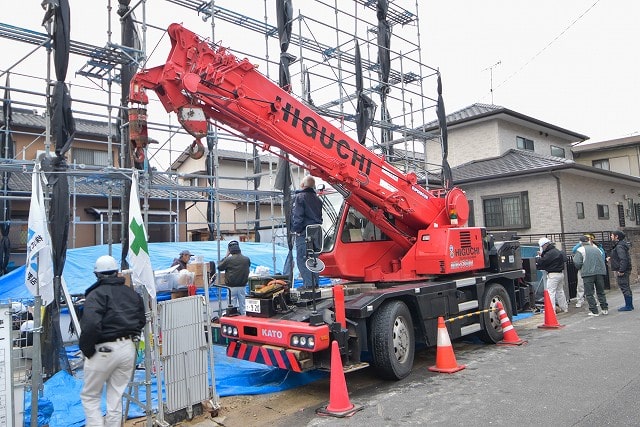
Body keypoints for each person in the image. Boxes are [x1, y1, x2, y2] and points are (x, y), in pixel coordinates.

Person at [80, 255, 146, 427]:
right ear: (117, 273)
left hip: (103, 350)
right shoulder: (131, 293)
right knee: (115, 398)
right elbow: (141, 320)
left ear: (97, 275)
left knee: (90, 396)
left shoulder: (95, 295)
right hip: (127, 349)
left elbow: (90, 325)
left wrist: (87, 349)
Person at [292, 175, 323, 289]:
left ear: (302, 185)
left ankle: (308, 285)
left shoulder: (299, 197)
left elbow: (297, 217)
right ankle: (315, 284)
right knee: (314, 258)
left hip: (304, 232)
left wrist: (296, 230)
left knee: (303, 258)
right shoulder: (318, 200)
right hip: (316, 232)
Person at [573, 235, 609, 316]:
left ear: (580, 242)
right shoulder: (597, 249)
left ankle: (594, 311)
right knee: (601, 291)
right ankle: (604, 308)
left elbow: (577, 262)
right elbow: (602, 258)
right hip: (599, 272)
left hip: (588, 273)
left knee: (589, 293)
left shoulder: (580, 250)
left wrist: (581, 268)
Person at [536, 237, 569, 313]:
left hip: (553, 275)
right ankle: (564, 308)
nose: (542, 248)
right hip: (560, 274)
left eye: (542, 246)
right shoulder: (557, 251)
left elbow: (542, 262)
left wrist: (538, 258)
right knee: (560, 291)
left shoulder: (549, 253)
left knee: (551, 292)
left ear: (545, 245)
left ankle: (551, 311)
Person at [217, 241, 251, 315]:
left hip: (231, 288)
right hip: (243, 286)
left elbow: (219, 267)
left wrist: (226, 255)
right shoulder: (246, 259)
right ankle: (245, 321)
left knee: (232, 307)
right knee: (243, 307)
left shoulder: (228, 260)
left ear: (230, 250)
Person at [607, 230, 633, 311]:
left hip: (622, 270)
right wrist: (611, 258)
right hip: (625, 268)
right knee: (626, 286)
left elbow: (623, 258)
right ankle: (629, 305)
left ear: (616, 236)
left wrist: (621, 270)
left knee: (624, 286)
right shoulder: (620, 245)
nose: (611, 237)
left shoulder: (619, 246)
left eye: (612, 235)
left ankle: (628, 305)